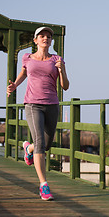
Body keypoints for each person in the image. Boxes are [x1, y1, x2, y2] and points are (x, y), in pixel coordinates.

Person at [7, 26, 69, 200]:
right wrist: (14, 86)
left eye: (48, 36)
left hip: (52, 104)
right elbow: (23, 74)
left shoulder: (57, 59)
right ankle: (44, 185)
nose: (45, 38)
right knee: (41, 143)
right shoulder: (27, 57)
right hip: (33, 104)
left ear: (51, 41)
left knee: (46, 145)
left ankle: (28, 148)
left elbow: (65, 86)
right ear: (35, 40)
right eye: (42, 36)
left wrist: (62, 69)